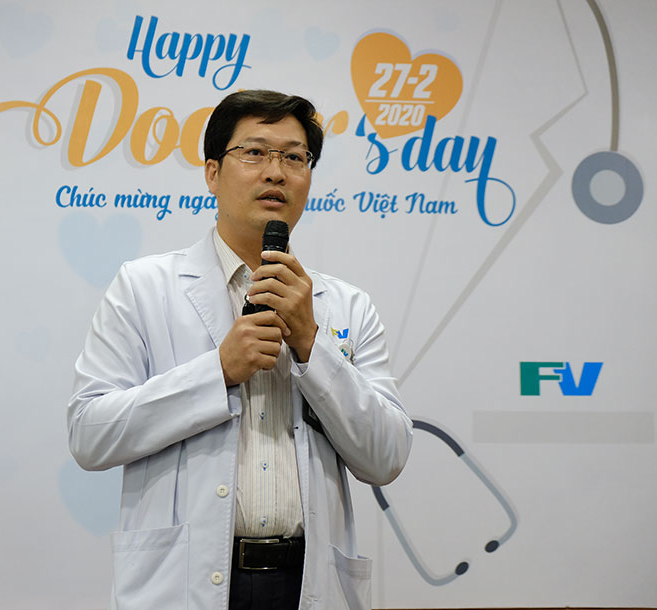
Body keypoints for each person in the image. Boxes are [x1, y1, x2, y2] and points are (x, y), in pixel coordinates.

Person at [67, 90, 413, 610]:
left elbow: (386, 457)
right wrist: (218, 373)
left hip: (307, 582)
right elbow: (89, 434)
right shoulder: (143, 288)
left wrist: (311, 344)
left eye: (294, 158)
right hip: (183, 582)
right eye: (254, 152)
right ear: (212, 173)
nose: (276, 172)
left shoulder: (347, 306)